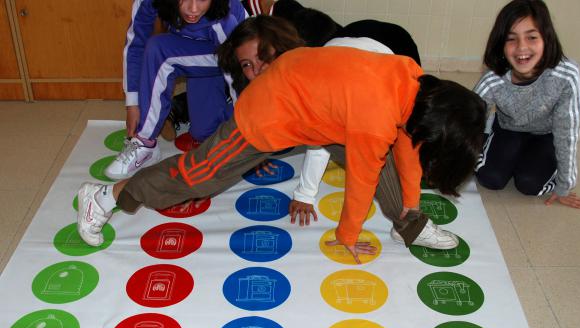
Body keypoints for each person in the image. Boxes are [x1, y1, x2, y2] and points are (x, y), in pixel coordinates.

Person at [77, 46, 486, 264]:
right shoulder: (376, 119)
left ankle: (408, 224)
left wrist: (411, 205)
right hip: (271, 111)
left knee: (385, 163)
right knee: (197, 176)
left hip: (320, 101)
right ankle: (105, 197)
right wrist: (347, 236)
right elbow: (361, 180)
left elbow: (409, 150)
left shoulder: (414, 83)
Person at [218, 16, 460, 251]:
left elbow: (361, 160)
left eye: (263, 58)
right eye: (247, 65)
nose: (257, 69)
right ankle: (409, 217)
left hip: (394, 43)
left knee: (393, 145)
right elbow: (315, 134)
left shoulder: (373, 96)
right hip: (346, 46)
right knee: (363, 138)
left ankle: (410, 225)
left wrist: (411, 202)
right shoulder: (287, 80)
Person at [106, 0, 247, 180]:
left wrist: (248, 134)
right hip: (196, 52)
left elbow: (237, 71)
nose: (193, 9)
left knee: (160, 51)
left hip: (233, 55)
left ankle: (145, 142)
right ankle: (179, 107)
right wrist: (133, 102)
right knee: (203, 133)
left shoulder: (225, 17)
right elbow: (136, 44)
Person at [473, 0, 580, 209]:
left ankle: (529, 160)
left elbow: (567, 131)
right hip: (507, 128)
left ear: (546, 38)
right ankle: (494, 139)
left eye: (532, 37)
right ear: (501, 44)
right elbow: (467, 123)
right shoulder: (493, 78)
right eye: (511, 39)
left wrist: (564, 185)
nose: (522, 47)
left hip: (546, 134)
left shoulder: (566, 75)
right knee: (490, 178)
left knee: (530, 184)